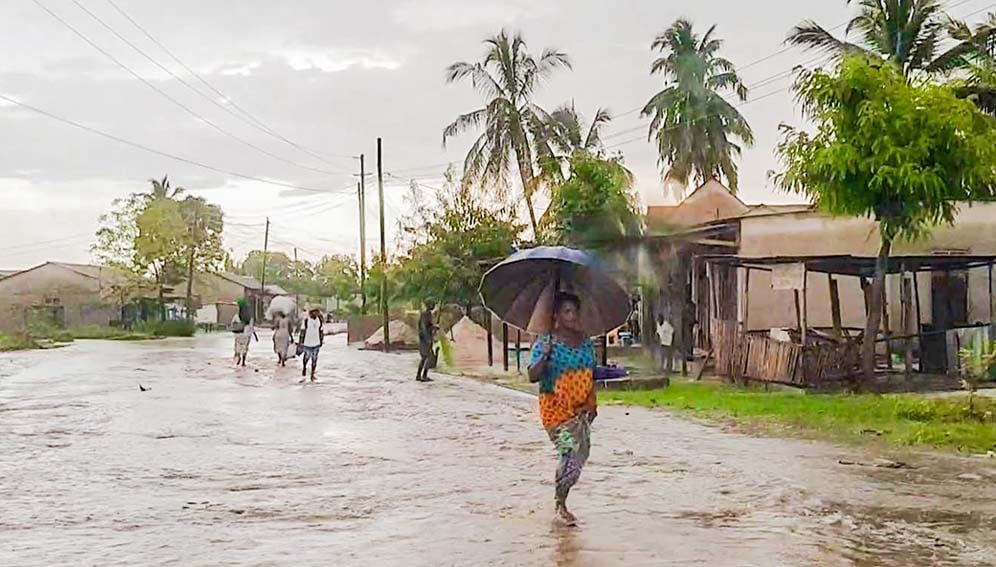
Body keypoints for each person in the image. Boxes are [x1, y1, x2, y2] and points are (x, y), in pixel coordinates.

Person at [528, 292, 596, 527]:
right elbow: (532, 376)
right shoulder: (545, 343)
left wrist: (592, 403)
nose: (572, 316)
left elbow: (590, 374)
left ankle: (562, 498)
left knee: (582, 454)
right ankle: (560, 504)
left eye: (574, 311)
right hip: (555, 409)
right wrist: (544, 356)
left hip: (580, 409)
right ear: (556, 315)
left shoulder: (586, 342)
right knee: (570, 451)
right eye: (566, 311)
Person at [299, 307, 323, 382]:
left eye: (317, 312)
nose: (316, 313)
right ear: (311, 313)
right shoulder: (306, 321)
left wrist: (321, 340)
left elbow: (321, 331)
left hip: (316, 343)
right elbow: (302, 331)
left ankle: (312, 375)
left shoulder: (320, 321)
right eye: (314, 312)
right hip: (307, 343)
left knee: (314, 359)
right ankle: (304, 368)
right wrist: (300, 343)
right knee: (306, 358)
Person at [416, 300, 438, 382]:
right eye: (432, 304)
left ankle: (420, 375)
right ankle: (423, 375)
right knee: (427, 356)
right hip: (425, 338)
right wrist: (428, 338)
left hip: (425, 337)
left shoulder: (427, 314)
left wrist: (434, 327)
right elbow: (424, 327)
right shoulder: (426, 314)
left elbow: (428, 326)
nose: (434, 306)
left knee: (425, 357)